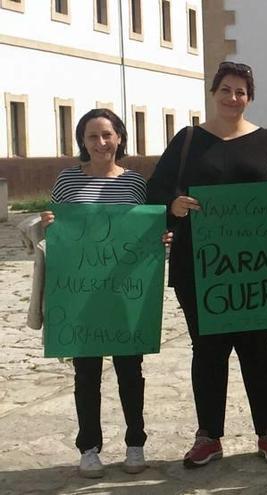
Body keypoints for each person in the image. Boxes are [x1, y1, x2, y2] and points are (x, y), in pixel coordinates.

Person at [146, 61, 267, 468]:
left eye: (240, 91)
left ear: (249, 97)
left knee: (259, 349)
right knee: (208, 351)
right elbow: (155, 191)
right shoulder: (188, 140)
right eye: (226, 90)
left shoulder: (265, 140)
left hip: (256, 271)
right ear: (214, 93)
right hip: (199, 270)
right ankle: (209, 437)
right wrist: (174, 205)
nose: (233, 98)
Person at [40, 108, 158, 478]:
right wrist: (48, 225)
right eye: (92, 136)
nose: (101, 143)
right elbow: (54, 231)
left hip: (125, 292)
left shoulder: (135, 183)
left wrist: (159, 238)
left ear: (120, 137)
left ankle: (135, 443)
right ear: (82, 142)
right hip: (81, 292)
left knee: (129, 370)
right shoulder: (67, 182)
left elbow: (143, 233)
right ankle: (89, 447)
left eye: (107, 135)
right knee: (86, 373)